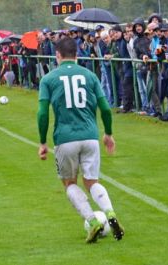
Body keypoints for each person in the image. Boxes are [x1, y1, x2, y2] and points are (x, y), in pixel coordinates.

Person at [37, 37, 124, 243]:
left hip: (65, 139)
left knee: (69, 183)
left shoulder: (49, 79)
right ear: (76, 54)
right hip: (91, 137)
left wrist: (42, 142)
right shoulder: (90, 75)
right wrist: (108, 134)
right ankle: (109, 212)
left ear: (57, 55)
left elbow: (42, 113)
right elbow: (104, 108)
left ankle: (92, 221)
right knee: (92, 181)